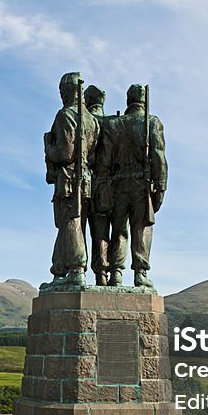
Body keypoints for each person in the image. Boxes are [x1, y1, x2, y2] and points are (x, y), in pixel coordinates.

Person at [99, 84, 166, 288]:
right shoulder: (151, 122)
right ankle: (140, 272)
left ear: (128, 100)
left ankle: (116, 273)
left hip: (118, 184)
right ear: (144, 100)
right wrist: (161, 185)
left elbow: (105, 160)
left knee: (118, 230)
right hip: (142, 185)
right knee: (141, 228)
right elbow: (159, 156)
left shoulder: (114, 125)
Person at [43, 72, 99, 288]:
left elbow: (65, 153)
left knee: (71, 223)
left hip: (68, 179)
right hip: (85, 179)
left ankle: (77, 269)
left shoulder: (66, 115)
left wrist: (49, 148)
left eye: (61, 91)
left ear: (67, 91)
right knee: (69, 224)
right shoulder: (92, 120)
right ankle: (59, 271)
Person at [84, 84, 115, 286]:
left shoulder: (85, 121)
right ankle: (109, 273)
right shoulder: (115, 124)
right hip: (112, 185)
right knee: (113, 230)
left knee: (85, 229)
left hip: (87, 183)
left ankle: (93, 273)